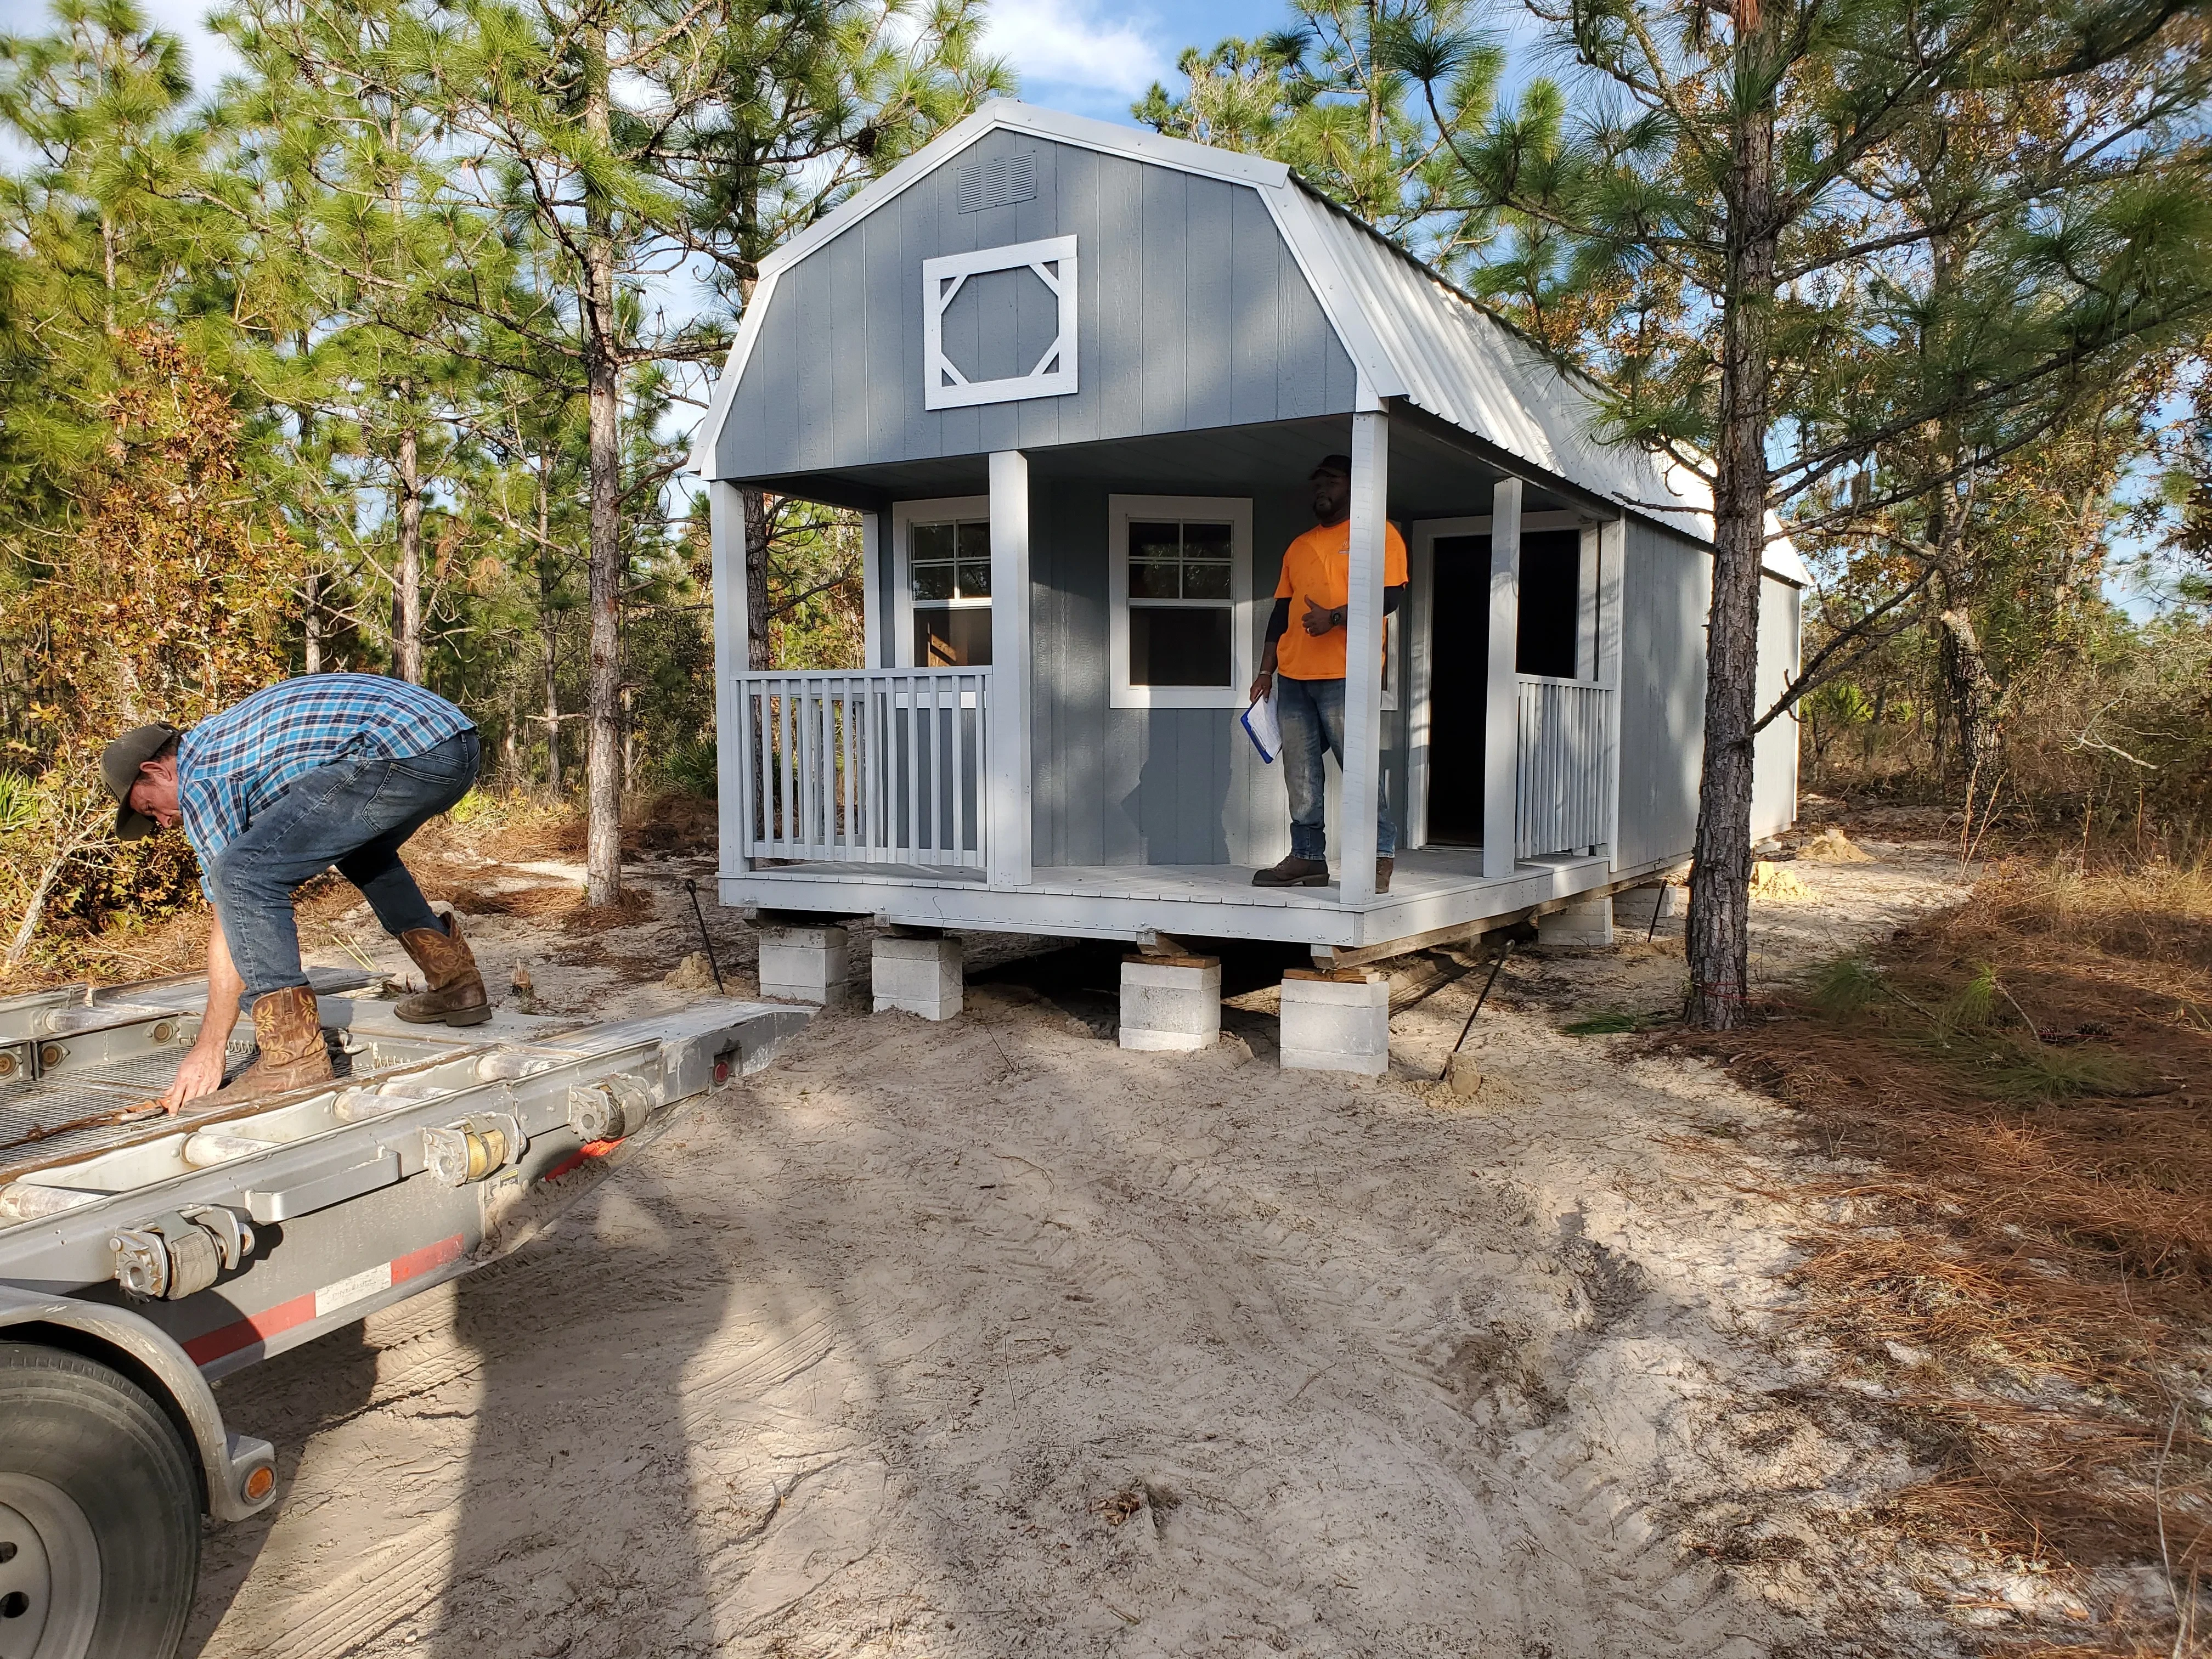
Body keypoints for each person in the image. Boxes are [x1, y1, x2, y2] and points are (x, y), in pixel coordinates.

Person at [99, 675, 492, 1113]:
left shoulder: (203, 778)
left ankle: (292, 1057)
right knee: (363, 853)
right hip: (453, 743)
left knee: (242, 873)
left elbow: (230, 908)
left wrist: (210, 1047)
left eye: (151, 808)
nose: (164, 823)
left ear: (157, 770)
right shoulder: (222, 740)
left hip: (404, 750)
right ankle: (457, 986)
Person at [1248, 454, 1409, 892]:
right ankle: (1307, 858)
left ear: (1354, 487)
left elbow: (1390, 597)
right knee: (1300, 773)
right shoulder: (1298, 547)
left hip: (1346, 675)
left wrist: (1336, 618)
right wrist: (1266, 671)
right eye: (1317, 482)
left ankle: (1379, 856)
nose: (1322, 489)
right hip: (1294, 677)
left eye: (1332, 481)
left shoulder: (1380, 535)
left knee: (1357, 767)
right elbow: (1281, 612)